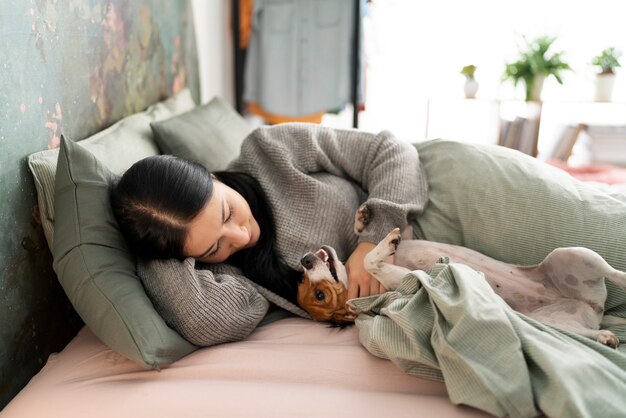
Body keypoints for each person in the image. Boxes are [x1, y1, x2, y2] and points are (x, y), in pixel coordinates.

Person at [111, 122, 428, 345]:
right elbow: (202, 318)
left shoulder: (268, 150)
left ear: (211, 174)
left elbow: (390, 151)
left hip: (432, 197)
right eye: (213, 247)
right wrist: (153, 251)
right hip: (427, 270)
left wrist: (369, 241)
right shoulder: (227, 273)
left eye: (227, 212)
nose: (240, 237)